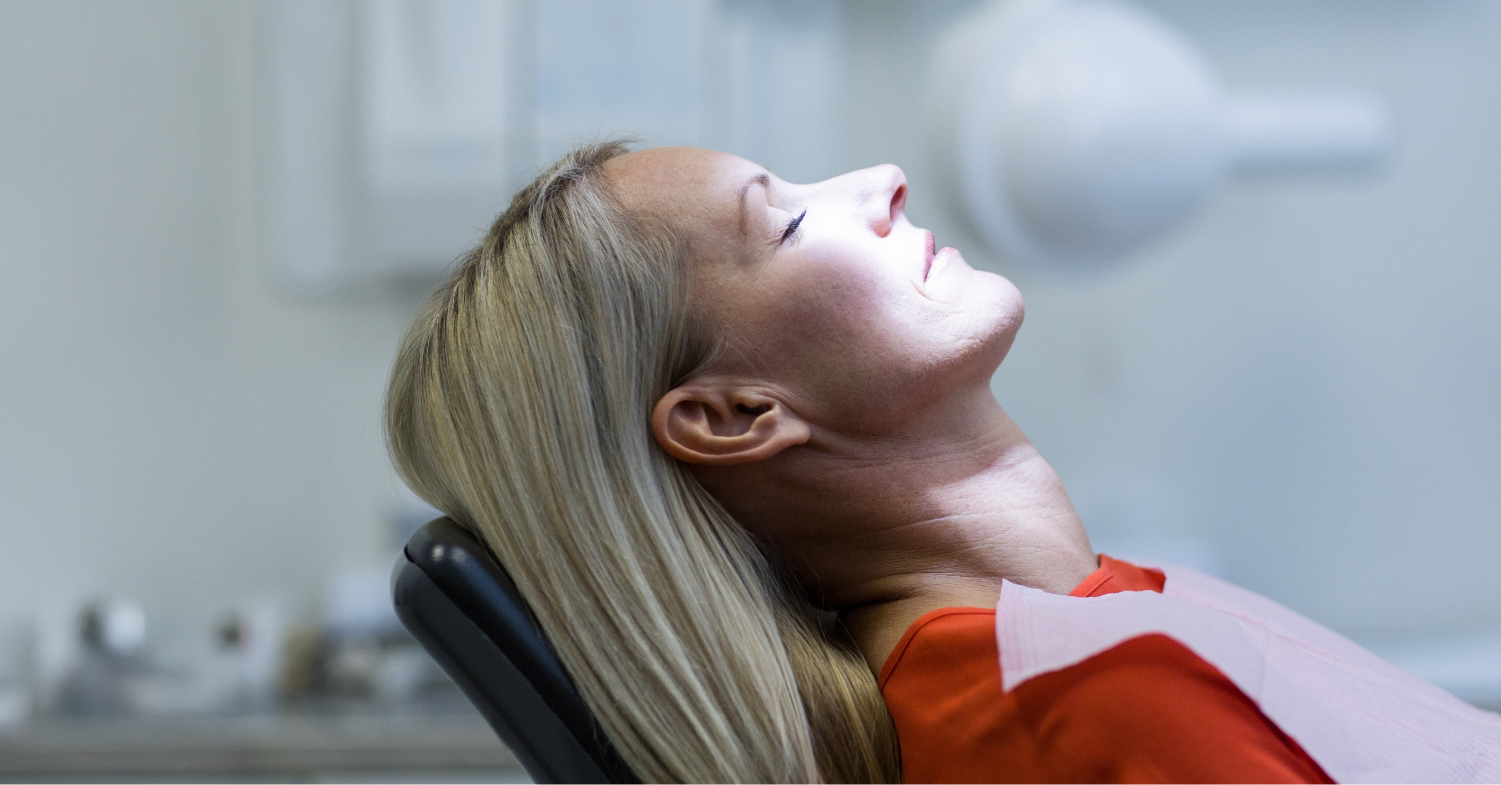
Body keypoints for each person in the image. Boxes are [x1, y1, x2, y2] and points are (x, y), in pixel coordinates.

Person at [384, 142, 1332, 783]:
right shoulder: (1080, 709)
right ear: (735, 414)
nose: (883, 178)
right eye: (787, 223)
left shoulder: (1064, 651)